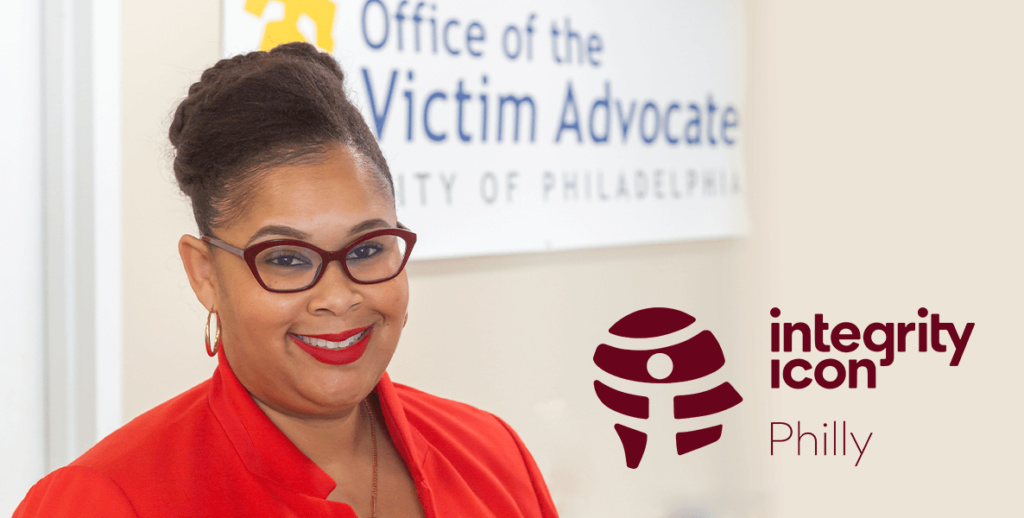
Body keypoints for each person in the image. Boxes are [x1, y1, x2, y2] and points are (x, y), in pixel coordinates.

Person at [13, 42, 558, 518]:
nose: (339, 297)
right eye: (288, 259)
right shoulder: (107, 500)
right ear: (205, 275)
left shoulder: (492, 454)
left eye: (367, 248)